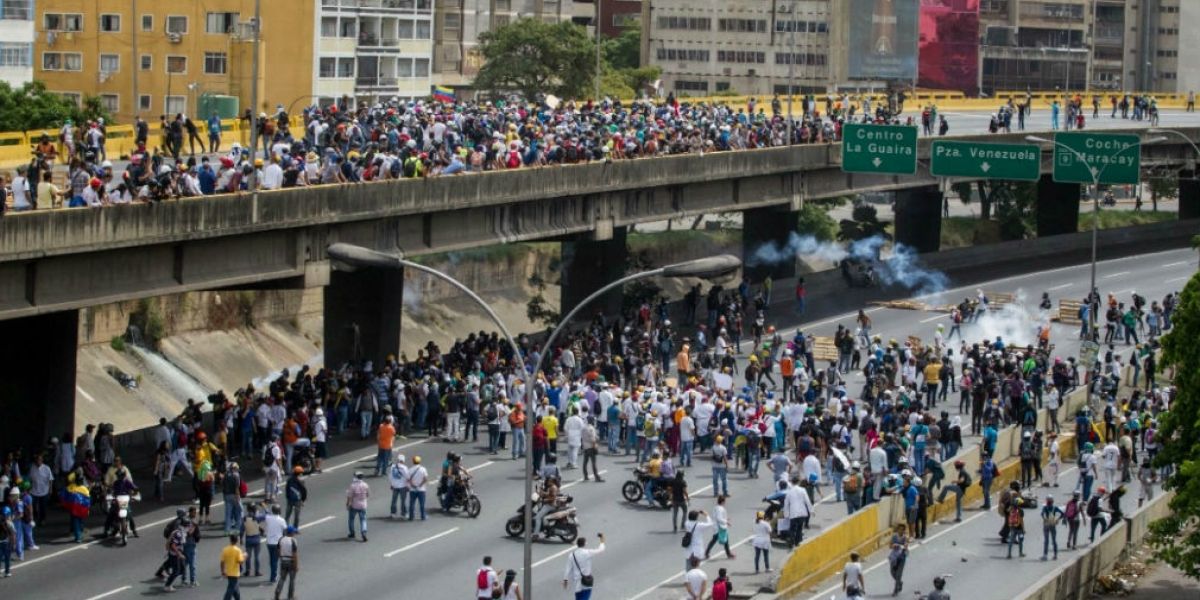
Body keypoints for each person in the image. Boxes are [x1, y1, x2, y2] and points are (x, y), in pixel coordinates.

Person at [562, 534, 605, 600]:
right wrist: (602, 540)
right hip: (586, 581)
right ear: (584, 544)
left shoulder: (572, 555)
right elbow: (601, 549)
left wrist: (565, 580)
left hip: (577, 582)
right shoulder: (587, 553)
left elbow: (568, 569)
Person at [784, 475, 814, 548]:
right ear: (798, 482)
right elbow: (807, 501)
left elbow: (786, 504)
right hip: (802, 512)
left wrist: (786, 515)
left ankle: (791, 540)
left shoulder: (789, 492)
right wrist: (811, 511)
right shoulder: (802, 490)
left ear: (792, 482)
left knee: (792, 528)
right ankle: (797, 542)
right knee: (800, 528)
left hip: (793, 513)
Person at [705, 495, 735, 559]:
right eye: (724, 501)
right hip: (719, 527)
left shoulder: (716, 507)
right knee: (715, 540)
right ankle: (707, 552)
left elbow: (719, 517)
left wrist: (726, 519)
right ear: (722, 502)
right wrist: (726, 522)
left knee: (725, 540)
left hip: (717, 526)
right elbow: (719, 518)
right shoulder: (720, 509)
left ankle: (728, 553)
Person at [263, 504, 287, 583]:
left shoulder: (268, 518)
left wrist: (264, 506)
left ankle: (273, 574)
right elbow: (285, 530)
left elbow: (266, 513)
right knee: (275, 560)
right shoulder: (281, 520)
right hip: (278, 543)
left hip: (269, 542)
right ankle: (273, 576)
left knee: (272, 560)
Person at [274, 526, 299, 600]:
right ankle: (290, 596)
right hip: (291, 561)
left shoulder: (281, 539)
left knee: (282, 578)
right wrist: (296, 565)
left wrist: (281, 558)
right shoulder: (293, 540)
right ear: (291, 533)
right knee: (292, 580)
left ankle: (277, 593)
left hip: (283, 560)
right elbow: (295, 554)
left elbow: (278, 550)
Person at [220, 534, 245, 600]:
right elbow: (240, 561)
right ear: (237, 541)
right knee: (231, 588)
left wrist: (222, 571)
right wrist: (244, 556)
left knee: (235, 588)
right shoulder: (238, 550)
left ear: (230, 540)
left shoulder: (225, 549)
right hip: (235, 572)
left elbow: (222, 562)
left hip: (228, 571)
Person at [346, 471, 369, 542]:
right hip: (363, 505)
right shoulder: (365, 485)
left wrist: (348, 504)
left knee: (351, 519)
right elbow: (368, 495)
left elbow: (349, 497)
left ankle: (352, 533)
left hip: (354, 505)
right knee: (363, 520)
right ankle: (364, 532)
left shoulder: (352, 486)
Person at [888, 523, 910, 596]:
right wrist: (893, 545)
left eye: (902, 529)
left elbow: (906, 546)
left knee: (898, 574)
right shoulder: (894, 536)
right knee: (892, 572)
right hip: (894, 557)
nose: (900, 531)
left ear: (904, 530)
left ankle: (895, 590)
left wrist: (902, 546)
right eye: (899, 529)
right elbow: (890, 546)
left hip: (902, 557)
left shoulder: (905, 537)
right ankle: (899, 582)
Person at [1041, 495, 1064, 561]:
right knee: (1054, 540)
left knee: (1046, 540)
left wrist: (1044, 519)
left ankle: (1045, 555)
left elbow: (1042, 514)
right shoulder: (1055, 507)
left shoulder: (1045, 507)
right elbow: (1062, 514)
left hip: (1046, 524)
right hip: (1053, 524)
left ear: (1047, 501)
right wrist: (1057, 519)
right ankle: (1055, 555)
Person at [407, 455, 428, 520]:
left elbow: (408, 479)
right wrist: (420, 485)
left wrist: (413, 485)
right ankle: (423, 516)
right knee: (422, 504)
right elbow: (425, 479)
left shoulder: (410, 469)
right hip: (421, 490)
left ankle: (411, 516)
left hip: (413, 490)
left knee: (412, 504)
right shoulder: (423, 469)